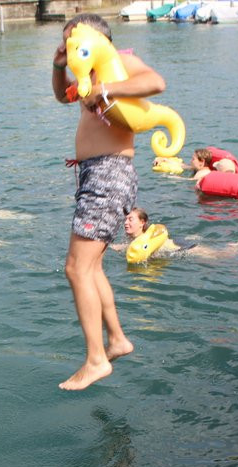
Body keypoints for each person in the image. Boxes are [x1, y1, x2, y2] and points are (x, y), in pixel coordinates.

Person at [52, 13, 165, 390]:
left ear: (97, 38)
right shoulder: (86, 77)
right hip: (94, 175)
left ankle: (96, 359)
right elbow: (60, 95)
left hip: (108, 174)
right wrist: (57, 68)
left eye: (73, 41)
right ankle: (116, 339)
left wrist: (109, 91)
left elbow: (156, 82)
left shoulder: (120, 64)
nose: (70, 49)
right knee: (92, 267)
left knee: (76, 268)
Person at [112, 208, 238, 260]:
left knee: (219, 257)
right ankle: (195, 236)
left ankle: (237, 245)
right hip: (174, 242)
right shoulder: (132, 240)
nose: (126, 223)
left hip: (181, 247)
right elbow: (121, 247)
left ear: (142, 222)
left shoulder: (146, 237)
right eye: (125, 220)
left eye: (130, 219)